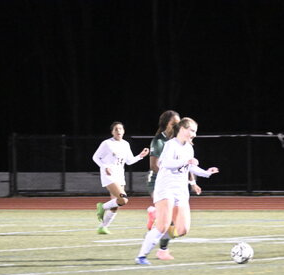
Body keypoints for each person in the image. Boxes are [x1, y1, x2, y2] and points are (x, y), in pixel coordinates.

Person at [135, 117, 219, 265]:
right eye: (192, 130)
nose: (194, 134)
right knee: (162, 227)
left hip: (181, 191)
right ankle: (141, 256)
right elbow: (165, 163)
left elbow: (190, 167)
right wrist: (186, 161)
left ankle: (155, 219)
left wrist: (206, 173)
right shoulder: (170, 145)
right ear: (182, 129)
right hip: (165, 188)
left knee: (182, 230)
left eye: (195, 132)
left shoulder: (189, 148)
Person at [145, 110, 202, 260]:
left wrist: (192, 182)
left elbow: (186, 165)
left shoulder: (183, 142)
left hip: (174, 184)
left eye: (179, 123)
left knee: (178, 226)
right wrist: (170, 177)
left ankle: (161, 242)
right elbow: (154, 165)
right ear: (166, 125)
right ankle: (162, 249)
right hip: (157, 181)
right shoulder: (159, 141)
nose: (177, 126)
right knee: (168, 220)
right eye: (174, 123)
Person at [92, 121, 149, 234]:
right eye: (116, 129)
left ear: (123, 131)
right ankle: (102, 207)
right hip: (109, 176)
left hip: (120, 176)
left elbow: (129, 161)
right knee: (123, 199)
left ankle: (103, 227)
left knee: (117, 203)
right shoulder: (107, 143)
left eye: (120, 129)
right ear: (112, 132)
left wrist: (140, 156)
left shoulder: (125, 144)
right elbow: (95, 157)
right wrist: (105, 167)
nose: (118, 131)